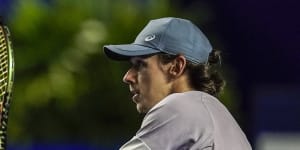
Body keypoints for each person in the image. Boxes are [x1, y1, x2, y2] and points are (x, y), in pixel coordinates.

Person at [103, 17, 252, 150]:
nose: (127, 76)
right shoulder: (220, 116)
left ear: (176, 66)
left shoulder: (179, 106)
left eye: (140, 65)